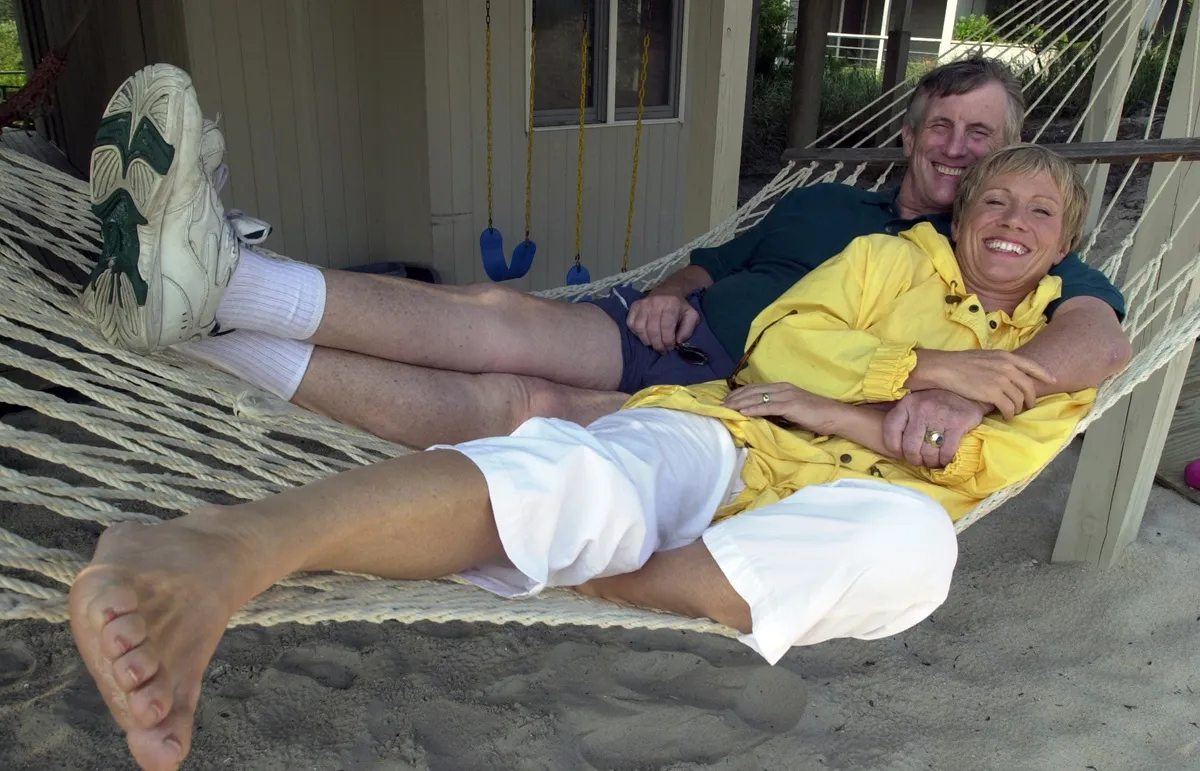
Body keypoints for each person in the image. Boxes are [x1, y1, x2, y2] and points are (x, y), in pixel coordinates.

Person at [72, 143, 1096, 771]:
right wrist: (923, 372)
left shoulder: (1063, 345)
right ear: (958, 211)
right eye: (994, 202)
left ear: (1066, 246)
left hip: (828, 509)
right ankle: (226, 545)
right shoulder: (880, 255)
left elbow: (982, 468)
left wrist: (860, 418)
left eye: (1038, 213)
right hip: (732, 429)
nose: (1011, 222)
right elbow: (780, 348)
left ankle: (218, 304)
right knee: (581, 466)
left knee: (919, 551)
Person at [81, 59, 1130, 463]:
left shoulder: (1014, 255)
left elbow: (1098, 336)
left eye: (982, 137)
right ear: (908, 139)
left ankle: (208, 324)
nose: (959, 150)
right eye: (941, 128)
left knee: (517, 399)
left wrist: (973, 391)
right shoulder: (820, 204)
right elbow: (711, 262)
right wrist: (675, 293)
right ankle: (219, 287)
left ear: (1013, 159)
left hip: (755, 388)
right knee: (500, 312)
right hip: (689, 331)